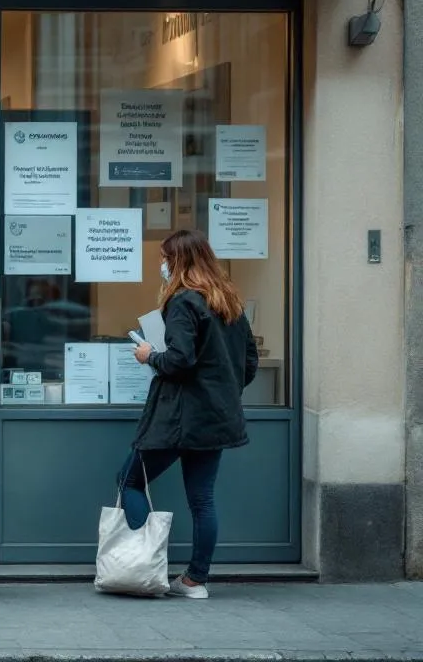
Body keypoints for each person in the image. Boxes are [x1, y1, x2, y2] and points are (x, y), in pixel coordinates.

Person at [125, 229, 257, 600]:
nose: (162, 265)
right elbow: (249, 362)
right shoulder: (228, 300)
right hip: (215, 417)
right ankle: (196, 580)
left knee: (129, 480)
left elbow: (179, 360)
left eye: (165, 258)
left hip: (179, 418)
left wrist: (149, 355)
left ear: (179, 261)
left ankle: (141, 567)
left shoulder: (183, 302)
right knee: (202, 499)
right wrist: (222, 391)